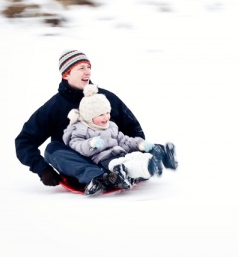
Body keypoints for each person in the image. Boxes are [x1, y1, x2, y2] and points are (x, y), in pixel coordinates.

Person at [15, 49, 176, 195]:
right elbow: (24, 141)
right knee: (52, 149)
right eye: (81, 68)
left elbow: (133, 129)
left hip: (112, 156)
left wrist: (135, 149)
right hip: (79, 163)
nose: (87, 72)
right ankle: (99, 177)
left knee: (135, 146)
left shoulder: (105, 98)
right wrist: (42, 169)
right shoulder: (54, 107)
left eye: (89, 67)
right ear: (66, 75)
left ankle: (139, 164)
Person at [63, 84, 178, 194]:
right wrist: (90, 144)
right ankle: (148, 167)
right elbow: (75, 145)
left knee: (135, 157)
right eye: (101, 114)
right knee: (125, 165)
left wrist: (139, 144)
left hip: (120, 153)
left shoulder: (111, 126)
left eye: (108, 112)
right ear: (89, 116)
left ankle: (155, 159)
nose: (106, 117)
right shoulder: (80, 129)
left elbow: (124, 140)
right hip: (104, 160)